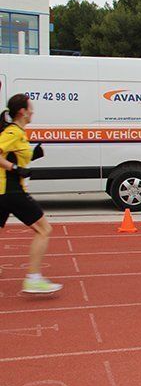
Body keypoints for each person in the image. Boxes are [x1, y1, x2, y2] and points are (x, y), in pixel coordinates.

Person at [0, 93, 61, 294]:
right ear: (22, 111)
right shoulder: (13, 132)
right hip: (11, 191)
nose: (33, 111)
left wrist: (33, 155)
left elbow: (15, 156)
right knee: (44, 229)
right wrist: (15, 169)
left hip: (5, 191)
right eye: (30, 108)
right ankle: (33, 278)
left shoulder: (19, 132)